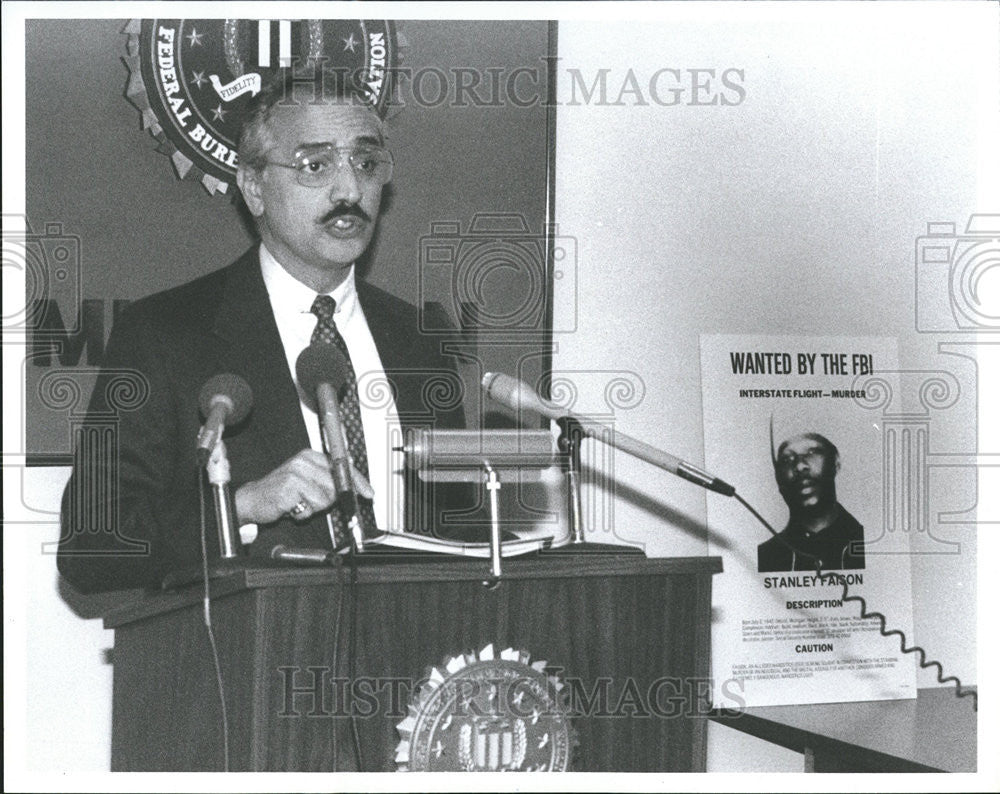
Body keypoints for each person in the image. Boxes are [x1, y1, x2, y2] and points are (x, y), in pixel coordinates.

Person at [57, 72, 468, 594]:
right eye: (315, 166)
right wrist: (242, 505)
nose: (349, 190)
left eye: (365, 164)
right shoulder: (165, 335)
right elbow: (91, 548)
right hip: (252, 662)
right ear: (253, 187)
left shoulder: (417, 339)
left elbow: (456, 529)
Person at [757, 432, 866, 573]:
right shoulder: (766, 557)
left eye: (812, 452)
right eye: (786, 459)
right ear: (778, 477)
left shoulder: (871, 544)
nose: (800, 465)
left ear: (835, 462)